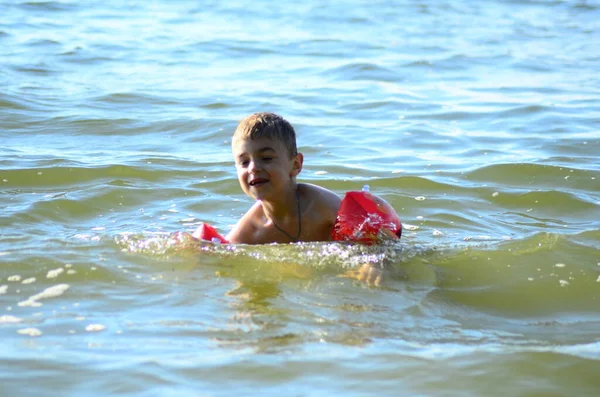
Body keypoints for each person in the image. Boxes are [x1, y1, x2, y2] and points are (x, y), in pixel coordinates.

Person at [193, 112, 341, 244]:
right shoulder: (249, 233)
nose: (253, 168)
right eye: (244, 162)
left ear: (295, 165)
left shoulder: (322, 206)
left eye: (266, 158)